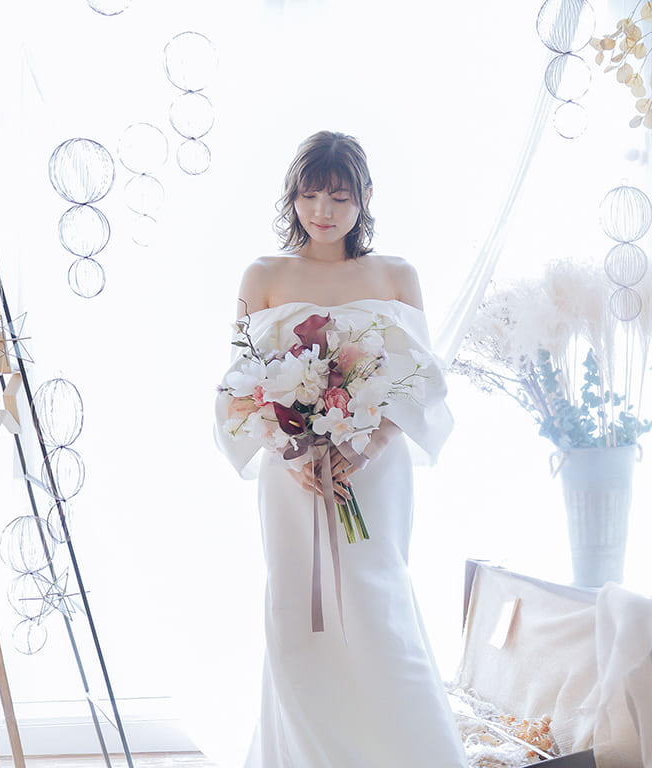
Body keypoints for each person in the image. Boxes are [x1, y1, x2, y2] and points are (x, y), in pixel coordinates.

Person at [214, 130, 467, 767]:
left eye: (339, 197)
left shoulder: (396, 275)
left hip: (373, 474)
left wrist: (370, 443)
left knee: (378, 604)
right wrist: (293, 450)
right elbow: (240, 381)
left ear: (366, 198)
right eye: (309, 196)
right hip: (292, 475)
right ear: (292, 196)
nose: (322, 211)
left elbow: (423, 381)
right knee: (298, 610)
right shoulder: (263, 275)